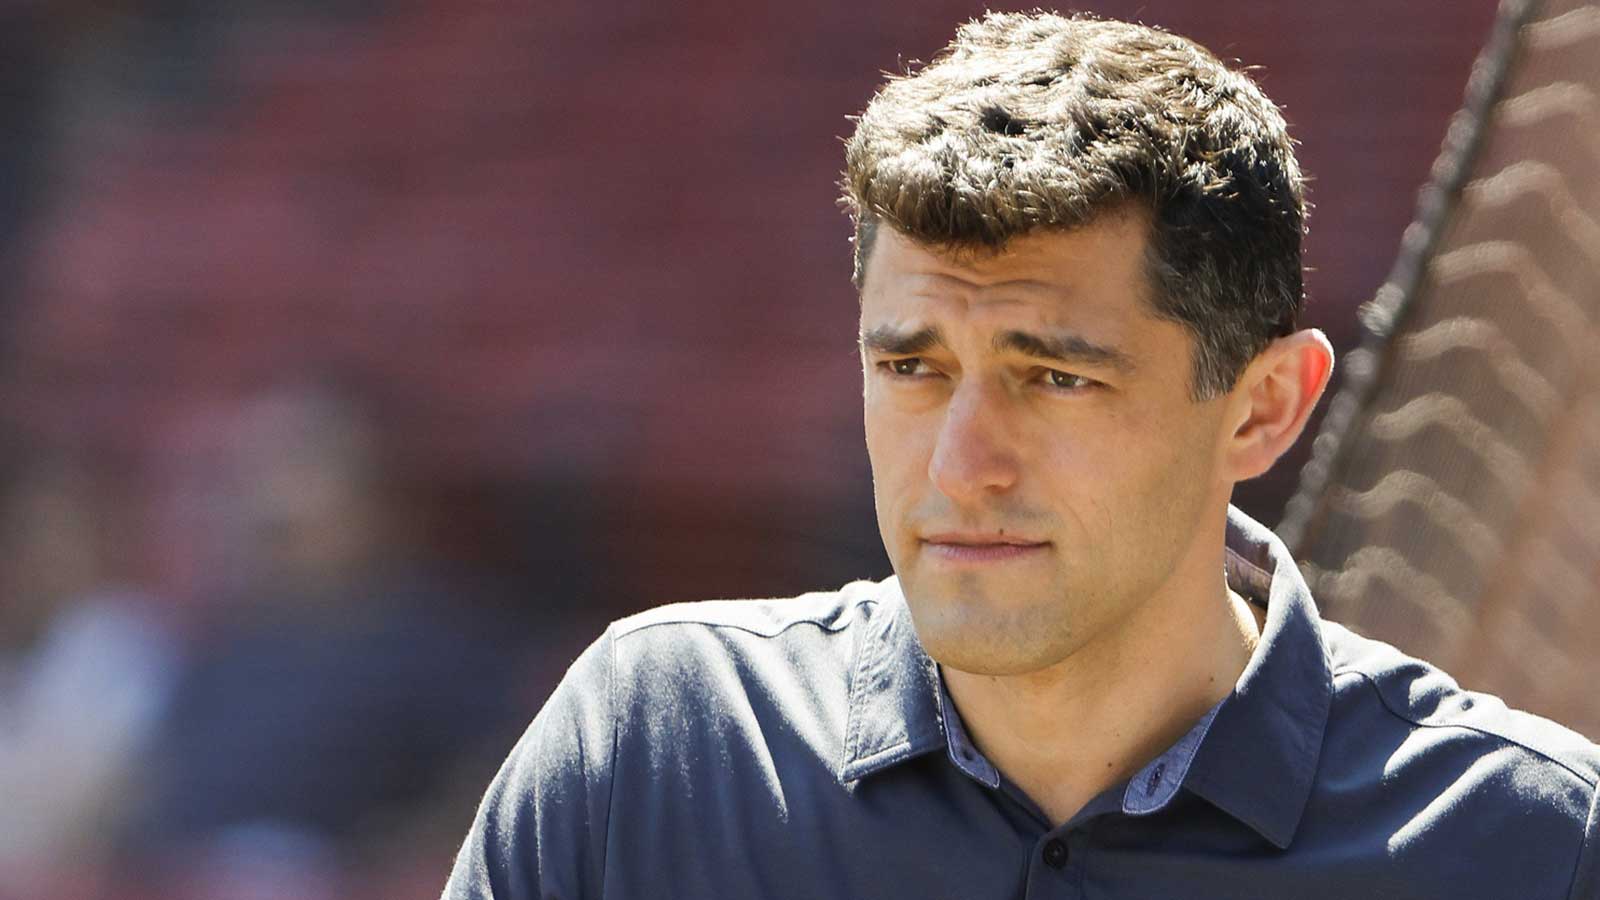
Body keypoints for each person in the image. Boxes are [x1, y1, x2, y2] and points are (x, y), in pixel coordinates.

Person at [442, 12, 1600, 899]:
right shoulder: (652, 751)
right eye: (912, 367)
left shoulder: (1533, 845)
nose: (961, 467)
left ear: (1260, 409)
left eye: (1054, 378)